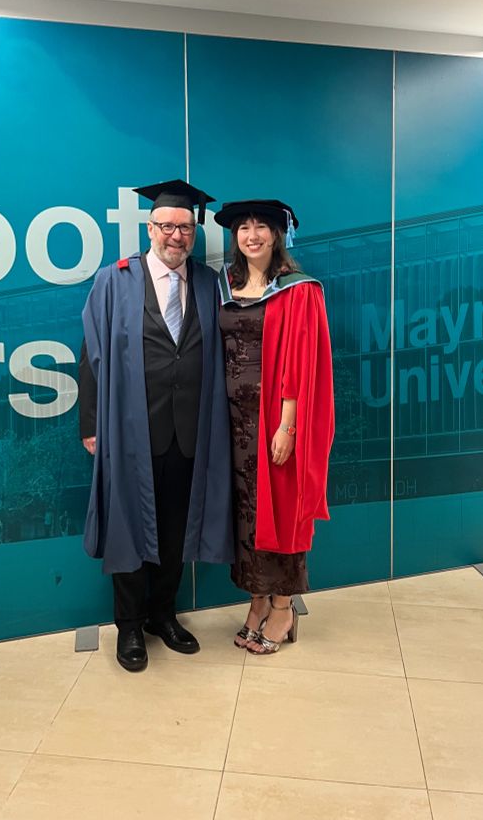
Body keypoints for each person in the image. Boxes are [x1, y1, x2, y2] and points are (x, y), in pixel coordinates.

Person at [79, 180, 233, 672]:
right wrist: (90, 425)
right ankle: (129, 625)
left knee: (175, 529)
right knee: (128, 527)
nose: (176, 236)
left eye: (185, 228)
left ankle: (162, 615)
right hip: (131, 432)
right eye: (166, 226)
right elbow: (91, 354)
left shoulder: (209, 283)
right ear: (150, 228)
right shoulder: (115, 280)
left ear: (194, 233)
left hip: (190, 432)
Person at [214, 199, 334, 655]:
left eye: (261, 227)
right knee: (248, 516)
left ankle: (283, 607)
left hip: (274, 423)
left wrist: (288, 426)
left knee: (282, 510)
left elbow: (301, 364)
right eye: (243, 228)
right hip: (234, 424)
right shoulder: (226, 285)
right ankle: (257, 600)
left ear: (277, 235)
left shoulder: (297, 289)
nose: (252, 235)